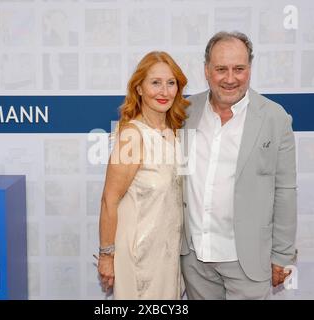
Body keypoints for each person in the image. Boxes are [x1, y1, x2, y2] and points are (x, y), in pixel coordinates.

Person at [180, 31, 298, 300]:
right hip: (195, 257)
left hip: (247, 259)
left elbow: (285, 190)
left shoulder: (275, 117)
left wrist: (282, 254)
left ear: (250, 69)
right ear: (207, 71)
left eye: (239, 69)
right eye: (221, 69)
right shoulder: (185, 112)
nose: (230, 78)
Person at [97, 51, 190, 299]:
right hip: (138, 256)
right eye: (155, 83)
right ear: (139, 87)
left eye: (171, 83)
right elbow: (109, 200)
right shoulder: (131, 136)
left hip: (168, 256)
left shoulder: (174, 133)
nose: (164, 91)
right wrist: (107, 255)